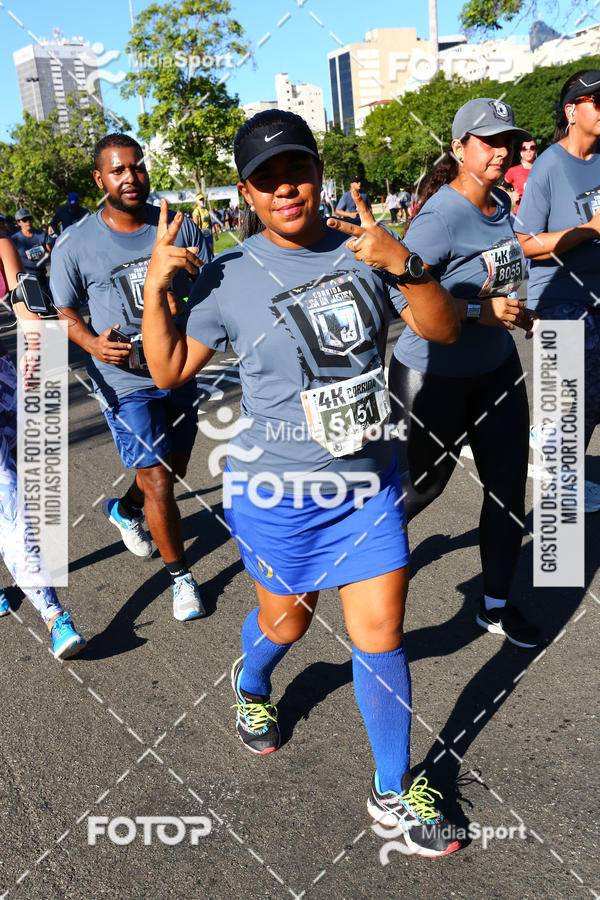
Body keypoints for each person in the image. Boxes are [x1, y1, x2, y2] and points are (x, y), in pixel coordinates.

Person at [142, 108, 463, 857]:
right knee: (287, 622)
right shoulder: (226, 276)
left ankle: (391, 790)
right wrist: (158, 290)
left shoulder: (368, 250)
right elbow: (164, 372)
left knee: (379, 636)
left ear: (318, 173)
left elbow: (442, 331)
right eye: (265, 180)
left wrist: (404, 264)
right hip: (280, 496)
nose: (285, 189)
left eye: (296, 171)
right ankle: (253, 685)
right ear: (247, 195)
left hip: (367, 487)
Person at [388, 97, 542, 649]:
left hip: (496, 370)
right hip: (432, 376)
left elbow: (497, 271)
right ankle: (361, 570)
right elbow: (397, 293)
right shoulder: (440, 215)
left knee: (506, 491)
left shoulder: (500, 203)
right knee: (422, 489)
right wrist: (479, 312)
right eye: (488, 141)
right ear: (458, 149)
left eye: (507, 140)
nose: (500, 150)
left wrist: (514, 309)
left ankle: (496, 605)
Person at [50, 132, 210, 622]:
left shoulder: (177, 226)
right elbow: (64, 310)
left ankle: (124, 510)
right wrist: (94, 343)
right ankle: (181, 578)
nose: (130, 178)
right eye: (118, 170)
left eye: (136, 167)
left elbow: (208, 287)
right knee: (159, 477)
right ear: (100, 179)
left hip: (178, 366)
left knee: (175, 466)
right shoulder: (76, 242)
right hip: (123, 377)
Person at [516, 70, 600, 514]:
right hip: (559, 299)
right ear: (572, 110)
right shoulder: (550, 162)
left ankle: (568, 470)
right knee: (568, 404)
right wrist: (587, 231)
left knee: (591, 401)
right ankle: (560, 493)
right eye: (598, 101)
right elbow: (525, 243)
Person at [0, 236, 86, 658]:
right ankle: (54, 615)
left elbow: (27, 304)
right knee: (10, 499)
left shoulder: (1, 244)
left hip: (8, 383)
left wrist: (40, 355)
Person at [11, 209, 52, 290]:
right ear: (19, 223)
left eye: (29, 218)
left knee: (47, 300)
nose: (28, 222)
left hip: (43, 275)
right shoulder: (15, 239)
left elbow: (51, 252)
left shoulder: (41, 234)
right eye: (24, 220)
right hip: (27, 278)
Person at [504, 139, 537, 215]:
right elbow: (500, 188)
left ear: (536, 151)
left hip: (540, 215)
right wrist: (511, 194)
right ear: (521, 152)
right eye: (525, 148)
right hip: (519, 215)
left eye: (532, 148)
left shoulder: (543, 170)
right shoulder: (513, 171)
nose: (528, 151)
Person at [191, 194, 214, 260]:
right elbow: (195, 225)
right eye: (200, 199)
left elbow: (210, 222)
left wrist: (214, 232)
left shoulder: (206, 210)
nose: (202, 201)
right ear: (197, 201)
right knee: (203, 253)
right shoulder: (196, 211)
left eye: (203, 199)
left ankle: (213, 265)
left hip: (208, 232)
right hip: (201, 233)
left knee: (211, 251)